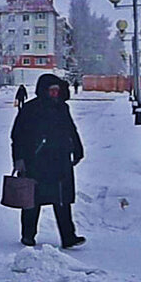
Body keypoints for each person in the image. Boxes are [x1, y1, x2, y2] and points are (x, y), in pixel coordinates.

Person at [10, 73, 85, 248]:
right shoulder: (30, 109)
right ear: (43, 91)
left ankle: (68, 237)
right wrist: (19, 159)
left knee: (62, 201)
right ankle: (28, 235)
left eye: (57, 91)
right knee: (32, 201)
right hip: (35, 161)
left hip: (60, 162)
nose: (54, 94)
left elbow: (71, 130)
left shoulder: (62, 108)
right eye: (51, 91)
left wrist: (78, 149)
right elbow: (17, 136)